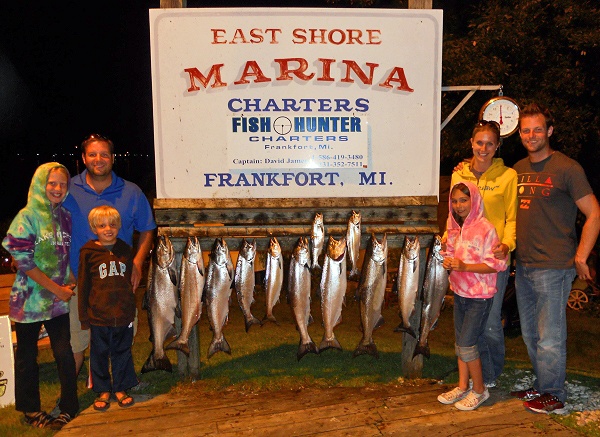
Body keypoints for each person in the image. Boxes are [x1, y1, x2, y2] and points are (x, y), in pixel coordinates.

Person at [509, 103, 600, 414]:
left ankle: (554, 394)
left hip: (555, 266)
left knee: (550, 336)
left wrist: (581, 256)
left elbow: (594, 213)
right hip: (523, 266)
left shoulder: (568, 168)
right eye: (525, 130)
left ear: (549, 131)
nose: (531, 135)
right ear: (519, 133)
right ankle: (542, 385)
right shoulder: (517, 169)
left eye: (537, 129)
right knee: (530, 333)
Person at [63, 133, 156, 377]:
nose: (99, 159)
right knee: (77, 339)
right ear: (84, 158)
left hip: (118, 281)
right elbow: (52, 230)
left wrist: (137, 263)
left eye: (104, 154)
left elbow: (147, 229)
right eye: (92, 154)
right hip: (78, 281)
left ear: (112, 158)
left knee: (121, 335)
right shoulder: (68, 189)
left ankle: (118, 385)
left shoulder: (131, 192)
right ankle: (70, 397)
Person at [2, 162, 79, 429]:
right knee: (26, 357)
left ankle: (69, 406)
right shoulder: (27, 216)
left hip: (56, 302)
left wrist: (68, 276)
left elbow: (60, 254)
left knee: (64, 353)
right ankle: (31, 410)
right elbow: (22, 260)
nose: (57, 189)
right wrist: (57, 289)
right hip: (29, 302)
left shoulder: (65, 216)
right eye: (52, 183)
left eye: (62, 184)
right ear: (40, 184)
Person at [450, 120, 517, 388]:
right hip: (464, 264)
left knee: (490, 323)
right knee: (466, 324)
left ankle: (489, 376)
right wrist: (449, 242)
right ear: (472, 143)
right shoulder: (459, 174)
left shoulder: (508, 176)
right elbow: (453, 218)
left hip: (491, 265)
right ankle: (473, 376)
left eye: (490, 143)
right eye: (480, 142)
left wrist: (507, 244)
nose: (484, 148)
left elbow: (512, 218)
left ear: (498, 145)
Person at [438, 181, 507, 411]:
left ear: (474, 200)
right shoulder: (453, 226)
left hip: (480, 296)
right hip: (459, 292)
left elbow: (496, 264)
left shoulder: (486, 228)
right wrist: (446, 258)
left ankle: (479, 390)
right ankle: (462, 385)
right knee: (461, 343)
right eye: (455, 201)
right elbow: (449, 254)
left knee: (468, 345)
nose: (458, 206)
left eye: (463, 200)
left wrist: (464, 266)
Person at [78, 206, 138, 411]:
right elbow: (84, 285)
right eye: (102, 225)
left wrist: (131, 309)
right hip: (98, 315)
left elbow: (130, 283)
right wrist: (84, 316)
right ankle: (103, 390)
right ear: (94, 228)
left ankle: (121, 388)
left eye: (112, 225)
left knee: (122, 352)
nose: (108, 229)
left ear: (119, 226)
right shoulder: (88, 253)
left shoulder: (125, 250)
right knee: (99, 354)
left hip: (122, 313)